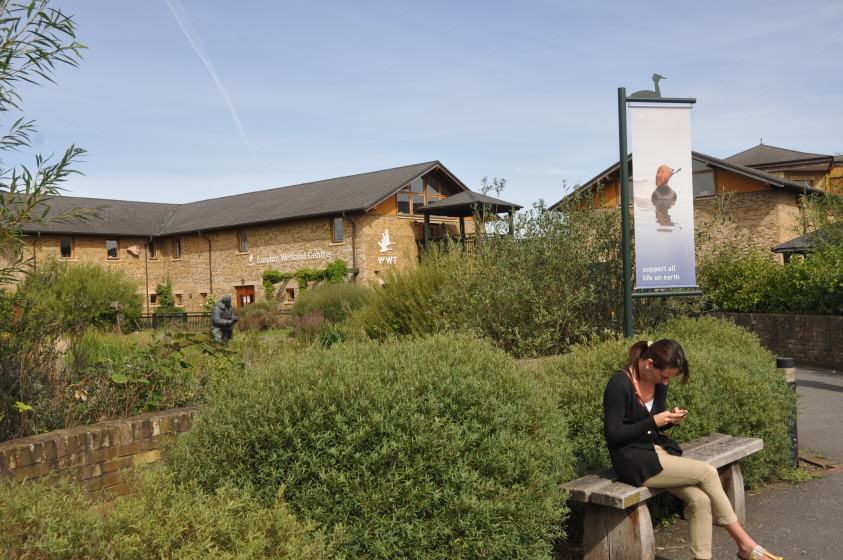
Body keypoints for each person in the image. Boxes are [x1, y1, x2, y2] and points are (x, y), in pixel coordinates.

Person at [603, 339, 782, 560]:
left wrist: (670, 420)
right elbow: (613, 435)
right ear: (648, 364)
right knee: (707, 472)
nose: (666, 381)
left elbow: (655, 422)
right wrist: (654, 422)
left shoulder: (659, 383)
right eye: (665, 376)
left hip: (656, 453)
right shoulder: (619, 384)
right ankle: (746, 545)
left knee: (700, 501)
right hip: (632, 460)